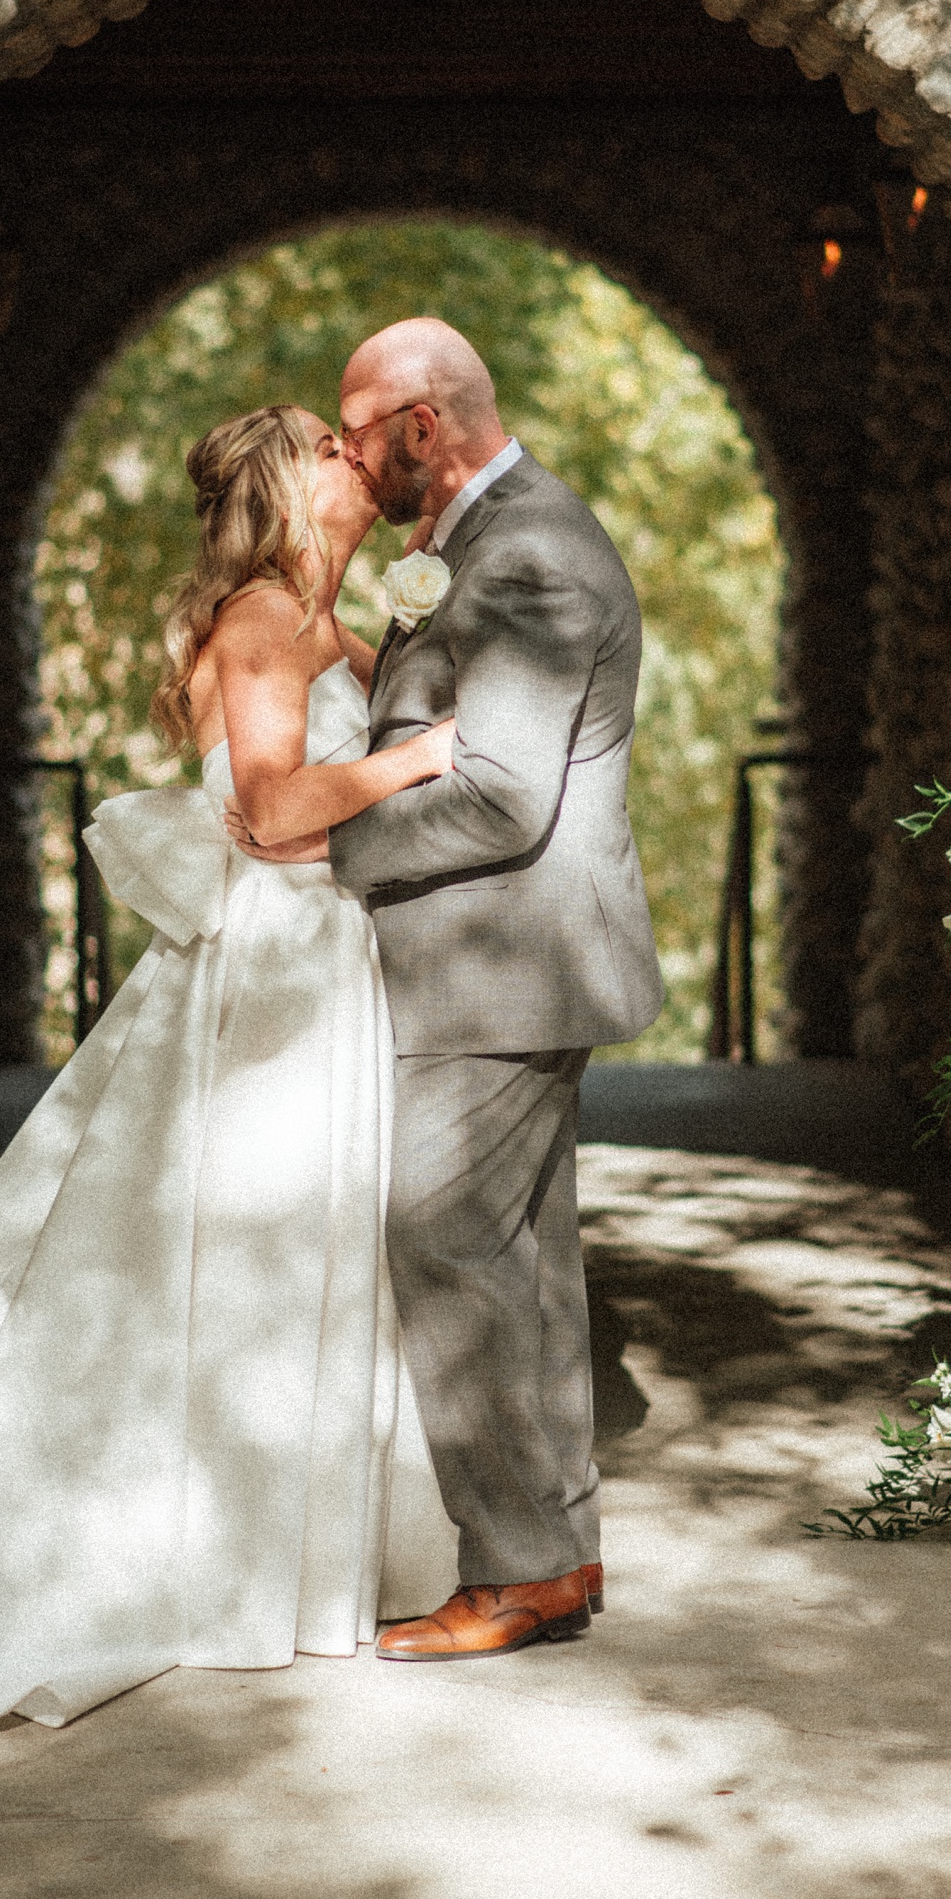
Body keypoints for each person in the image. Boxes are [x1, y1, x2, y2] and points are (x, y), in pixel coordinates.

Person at [0, 404, 462, 1762]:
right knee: (256, 1245)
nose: (356, 456)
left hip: (323, 955)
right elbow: (276, 807)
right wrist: (412, 761)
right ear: (285, 489)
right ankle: (226, 1559)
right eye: (327, 447)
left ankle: (286, 1550)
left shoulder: (324, 624)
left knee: (308, 1242)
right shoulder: (263, 620)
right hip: (276, 972)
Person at [235, 318, 663, 1660]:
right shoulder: (485, 537)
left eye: (362, 437)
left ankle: (514, 1569)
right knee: (524, 1263)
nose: (353, 462)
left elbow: (501, 796)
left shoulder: (525, 552)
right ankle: (559, 1551)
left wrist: (331, 848)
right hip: (515, 965)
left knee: (443, 1240)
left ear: (424, 426)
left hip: (497, 965)